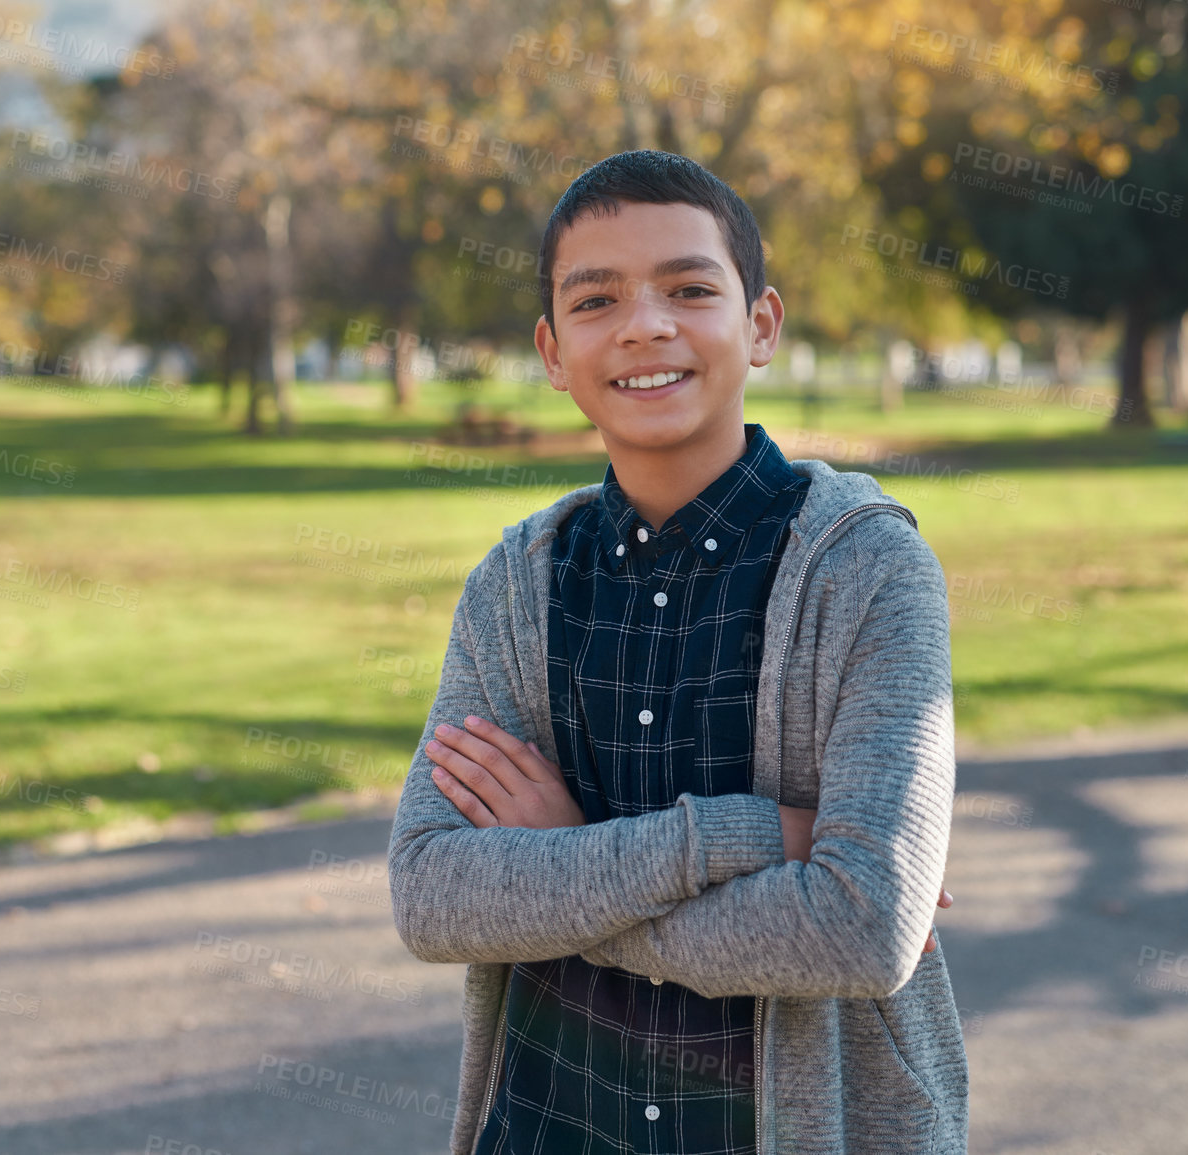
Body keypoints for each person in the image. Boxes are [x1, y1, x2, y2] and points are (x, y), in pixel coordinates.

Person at [387, 149, 967, 1155]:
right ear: (553, 351)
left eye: (690, 289)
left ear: (762, 325)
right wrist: (760, 839)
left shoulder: (869, 569)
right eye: (597, 299)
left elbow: (864, 929)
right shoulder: (515, 586)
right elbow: (436, 896)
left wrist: (560, 863)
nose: (646, 325)